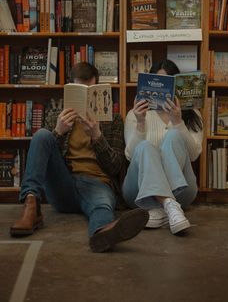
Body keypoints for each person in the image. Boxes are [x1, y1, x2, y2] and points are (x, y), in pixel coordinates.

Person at [10, 62, 149, 252]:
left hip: (97, 183)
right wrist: (58, 132)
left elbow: (116, 166)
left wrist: (97, 136)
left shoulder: (112, 119)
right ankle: (31, 205)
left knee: (102, 205)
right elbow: (46, 160)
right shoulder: (56, 116)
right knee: (42, 135)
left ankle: (102, 233)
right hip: (64, 184)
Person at [122, 59, 203, 234]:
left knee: (174, 135)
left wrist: (177, 121)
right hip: (138, 192)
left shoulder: (192, 114)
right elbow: (130, 155)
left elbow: (194, 155)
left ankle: (160, 208)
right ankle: (170, 206)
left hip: (182, 191)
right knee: (144, 147)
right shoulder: (135, 114)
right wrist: (141, 122)